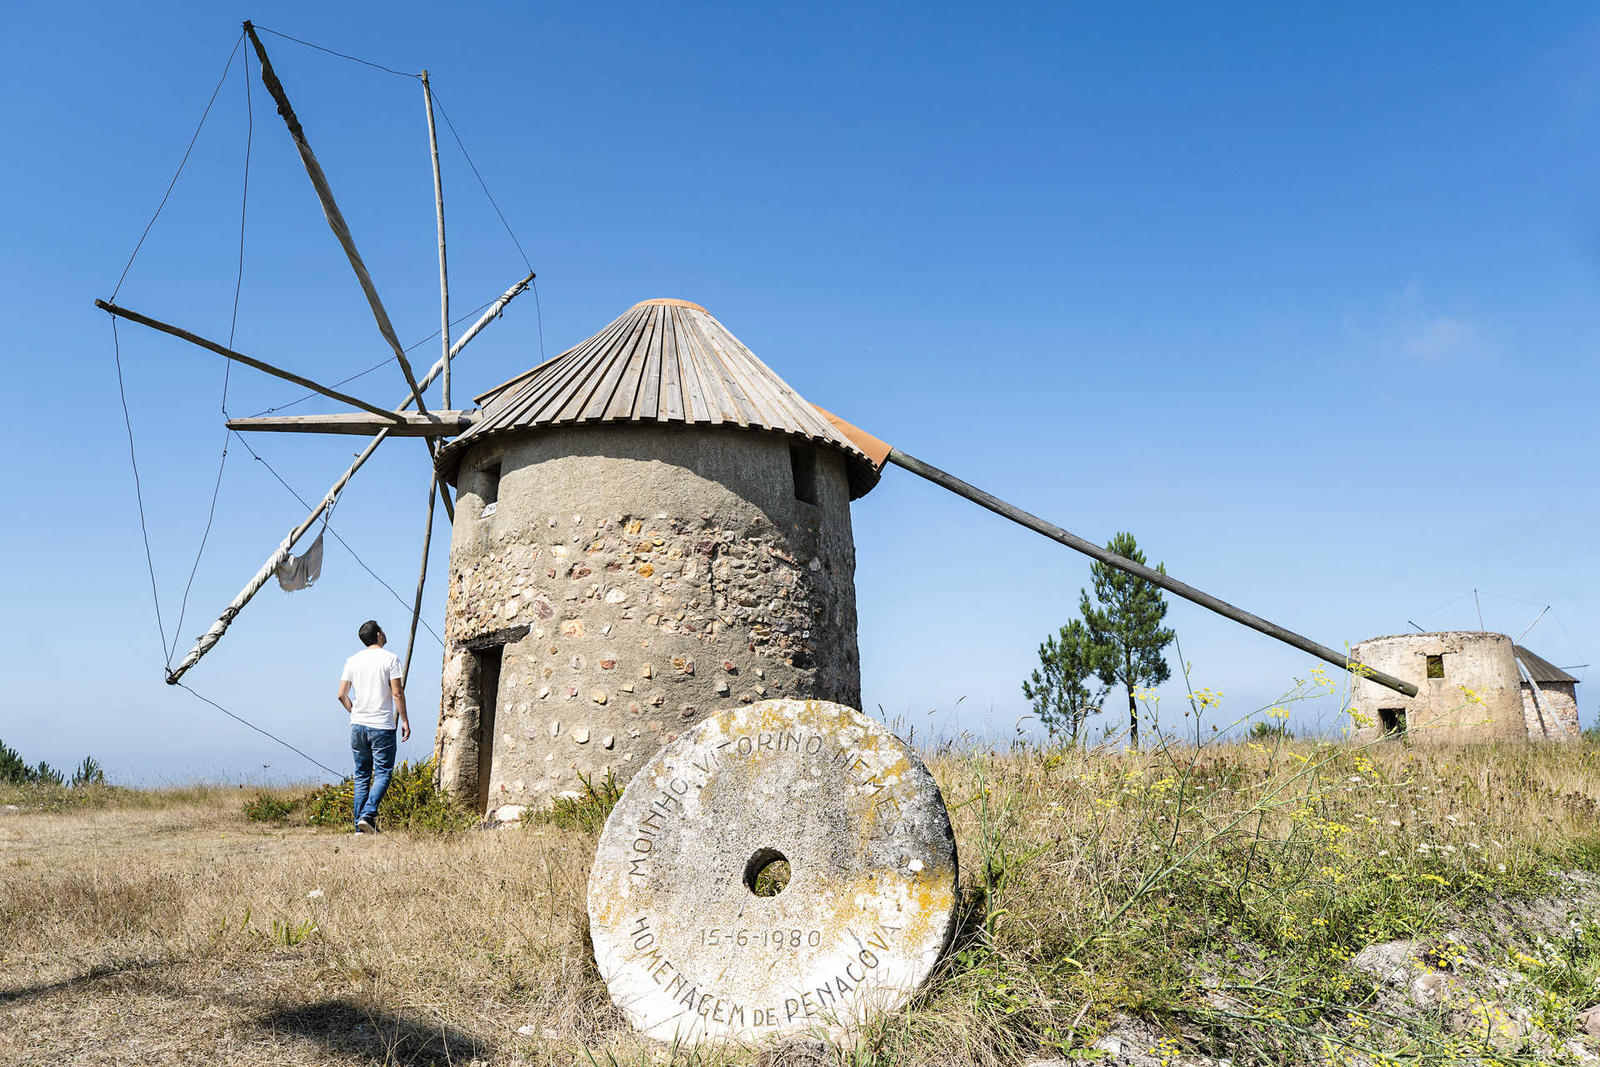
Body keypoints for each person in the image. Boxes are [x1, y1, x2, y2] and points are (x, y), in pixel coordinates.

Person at [337, 620, 410, 833]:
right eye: (383, 630)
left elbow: (341, 694)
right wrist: (404, 720)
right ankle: (368, 815)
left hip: (358, 725)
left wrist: (355, 712)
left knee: (361, 775)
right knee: (383, 773)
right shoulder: (391, 659)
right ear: (378, 634)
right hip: (381, 725)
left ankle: (360, 828)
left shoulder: (352, 660)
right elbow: (397, 692)